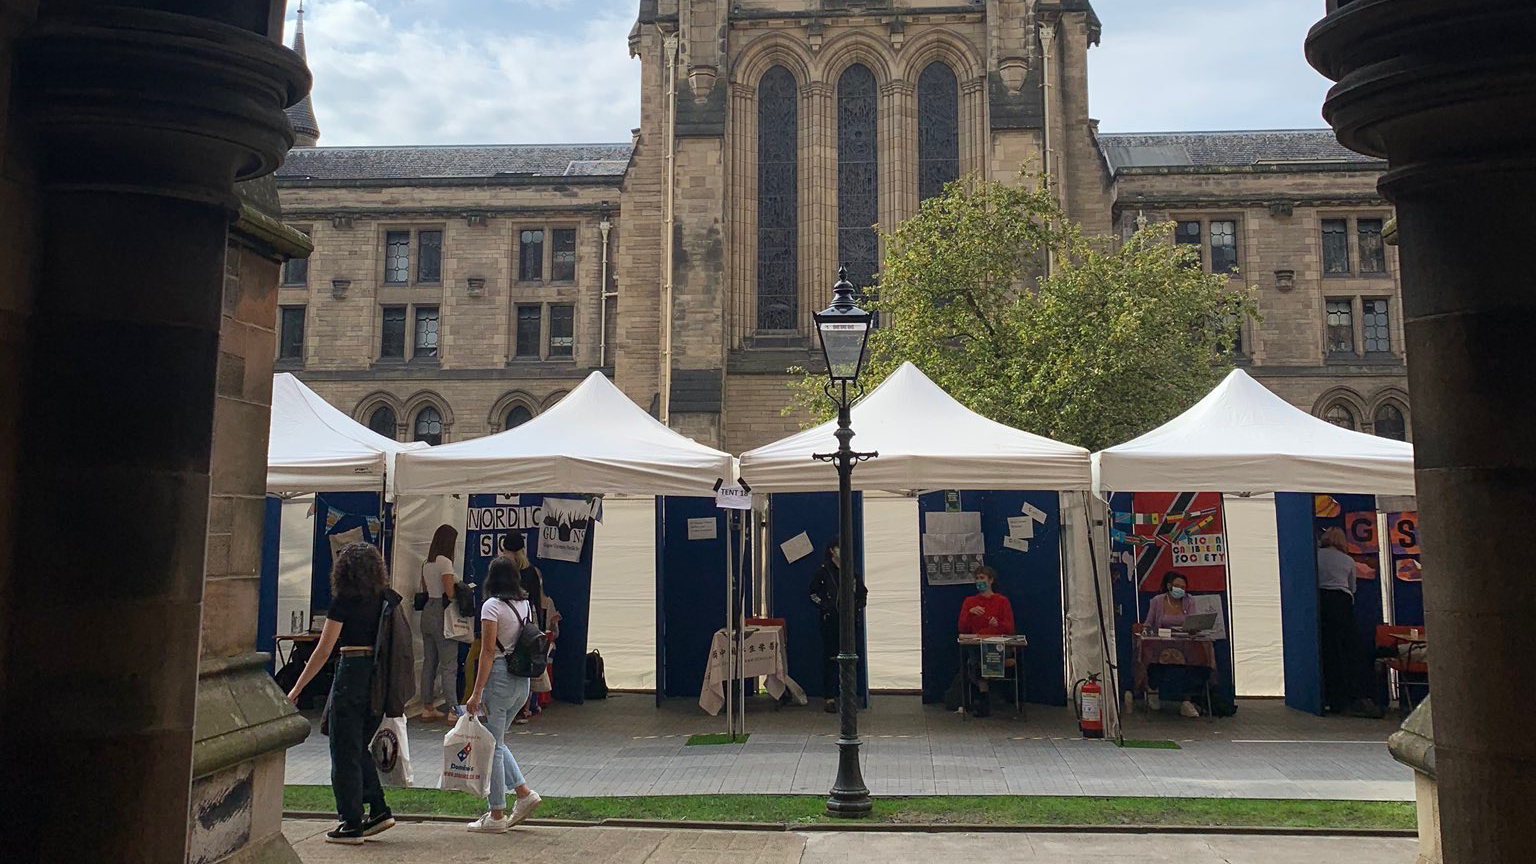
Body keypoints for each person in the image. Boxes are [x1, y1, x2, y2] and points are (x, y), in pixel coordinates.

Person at [286, 543, 399, 845]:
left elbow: (324, 650)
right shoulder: (384, 599)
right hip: (377, 676)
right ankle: (377, 808)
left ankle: (350, 821)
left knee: (343, 748)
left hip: (351, 670)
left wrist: (297, 688)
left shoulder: (344, 601)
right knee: (358, 745)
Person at [463, 557, 544, 832]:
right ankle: (523, 794)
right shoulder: (526, 606)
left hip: (498, 678)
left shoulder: (491, 607)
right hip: (522, 682)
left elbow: (487, 652)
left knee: (494, 748)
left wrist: (476, 692)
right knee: (497, 742)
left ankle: (496, 814)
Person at [1318, 527, 1381, 718]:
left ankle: (1327, 695)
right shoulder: (1348, 560)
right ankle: (1348, 697)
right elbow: (1352, 587)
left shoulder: (1316, 556)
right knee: (1346, 651)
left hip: (1322, 601)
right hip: (1343, 604)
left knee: (1326, 649)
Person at [808, 536, 867, 713]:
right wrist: (825, 606)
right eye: (839, 548)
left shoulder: (852, 572)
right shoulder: (823, 571)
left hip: (850, 622)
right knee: (831, 659)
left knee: (851, 659)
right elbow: (812, 593)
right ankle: (829, 697)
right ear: (832, 550)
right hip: (830, 622)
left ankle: (850, 696)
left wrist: (856, 606)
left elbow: (862, 594)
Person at [1142, 571, 1209, 718]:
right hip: (1160, 643)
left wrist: (1194, 629)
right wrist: (1148, 632)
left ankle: (1186, 701)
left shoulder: (1189, 600)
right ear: (1169, 586)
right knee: (1155, 660)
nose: (1181, 590)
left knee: (1197, 662)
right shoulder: (1157, 601)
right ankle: (1154, 690)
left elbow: (1193, 620)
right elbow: (1148, 623)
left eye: (1183, 587)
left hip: (1184, 643)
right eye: (1177, 586)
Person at [957, 565, 1015, 718]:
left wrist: (999, 624)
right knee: (975, 655)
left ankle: (984, 697)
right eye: (977, 578)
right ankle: (984, 697)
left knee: (985, 655)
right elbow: (962, 628)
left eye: (982, 578)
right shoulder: (969, 602)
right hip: (978, 644)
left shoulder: (1002, 601)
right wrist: (969, 614)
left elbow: (1010, 628)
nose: (979, 581)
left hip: (998, 644)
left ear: (991, 581)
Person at [418, 524, 459, 722]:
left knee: (429, 662)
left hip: (427, 611)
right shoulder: (446, 563)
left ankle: (427, 707)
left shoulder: (427, 562)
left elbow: (425, 588)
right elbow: (450, 592)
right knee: (449, 663)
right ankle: (453, 709)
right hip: (442, 613)